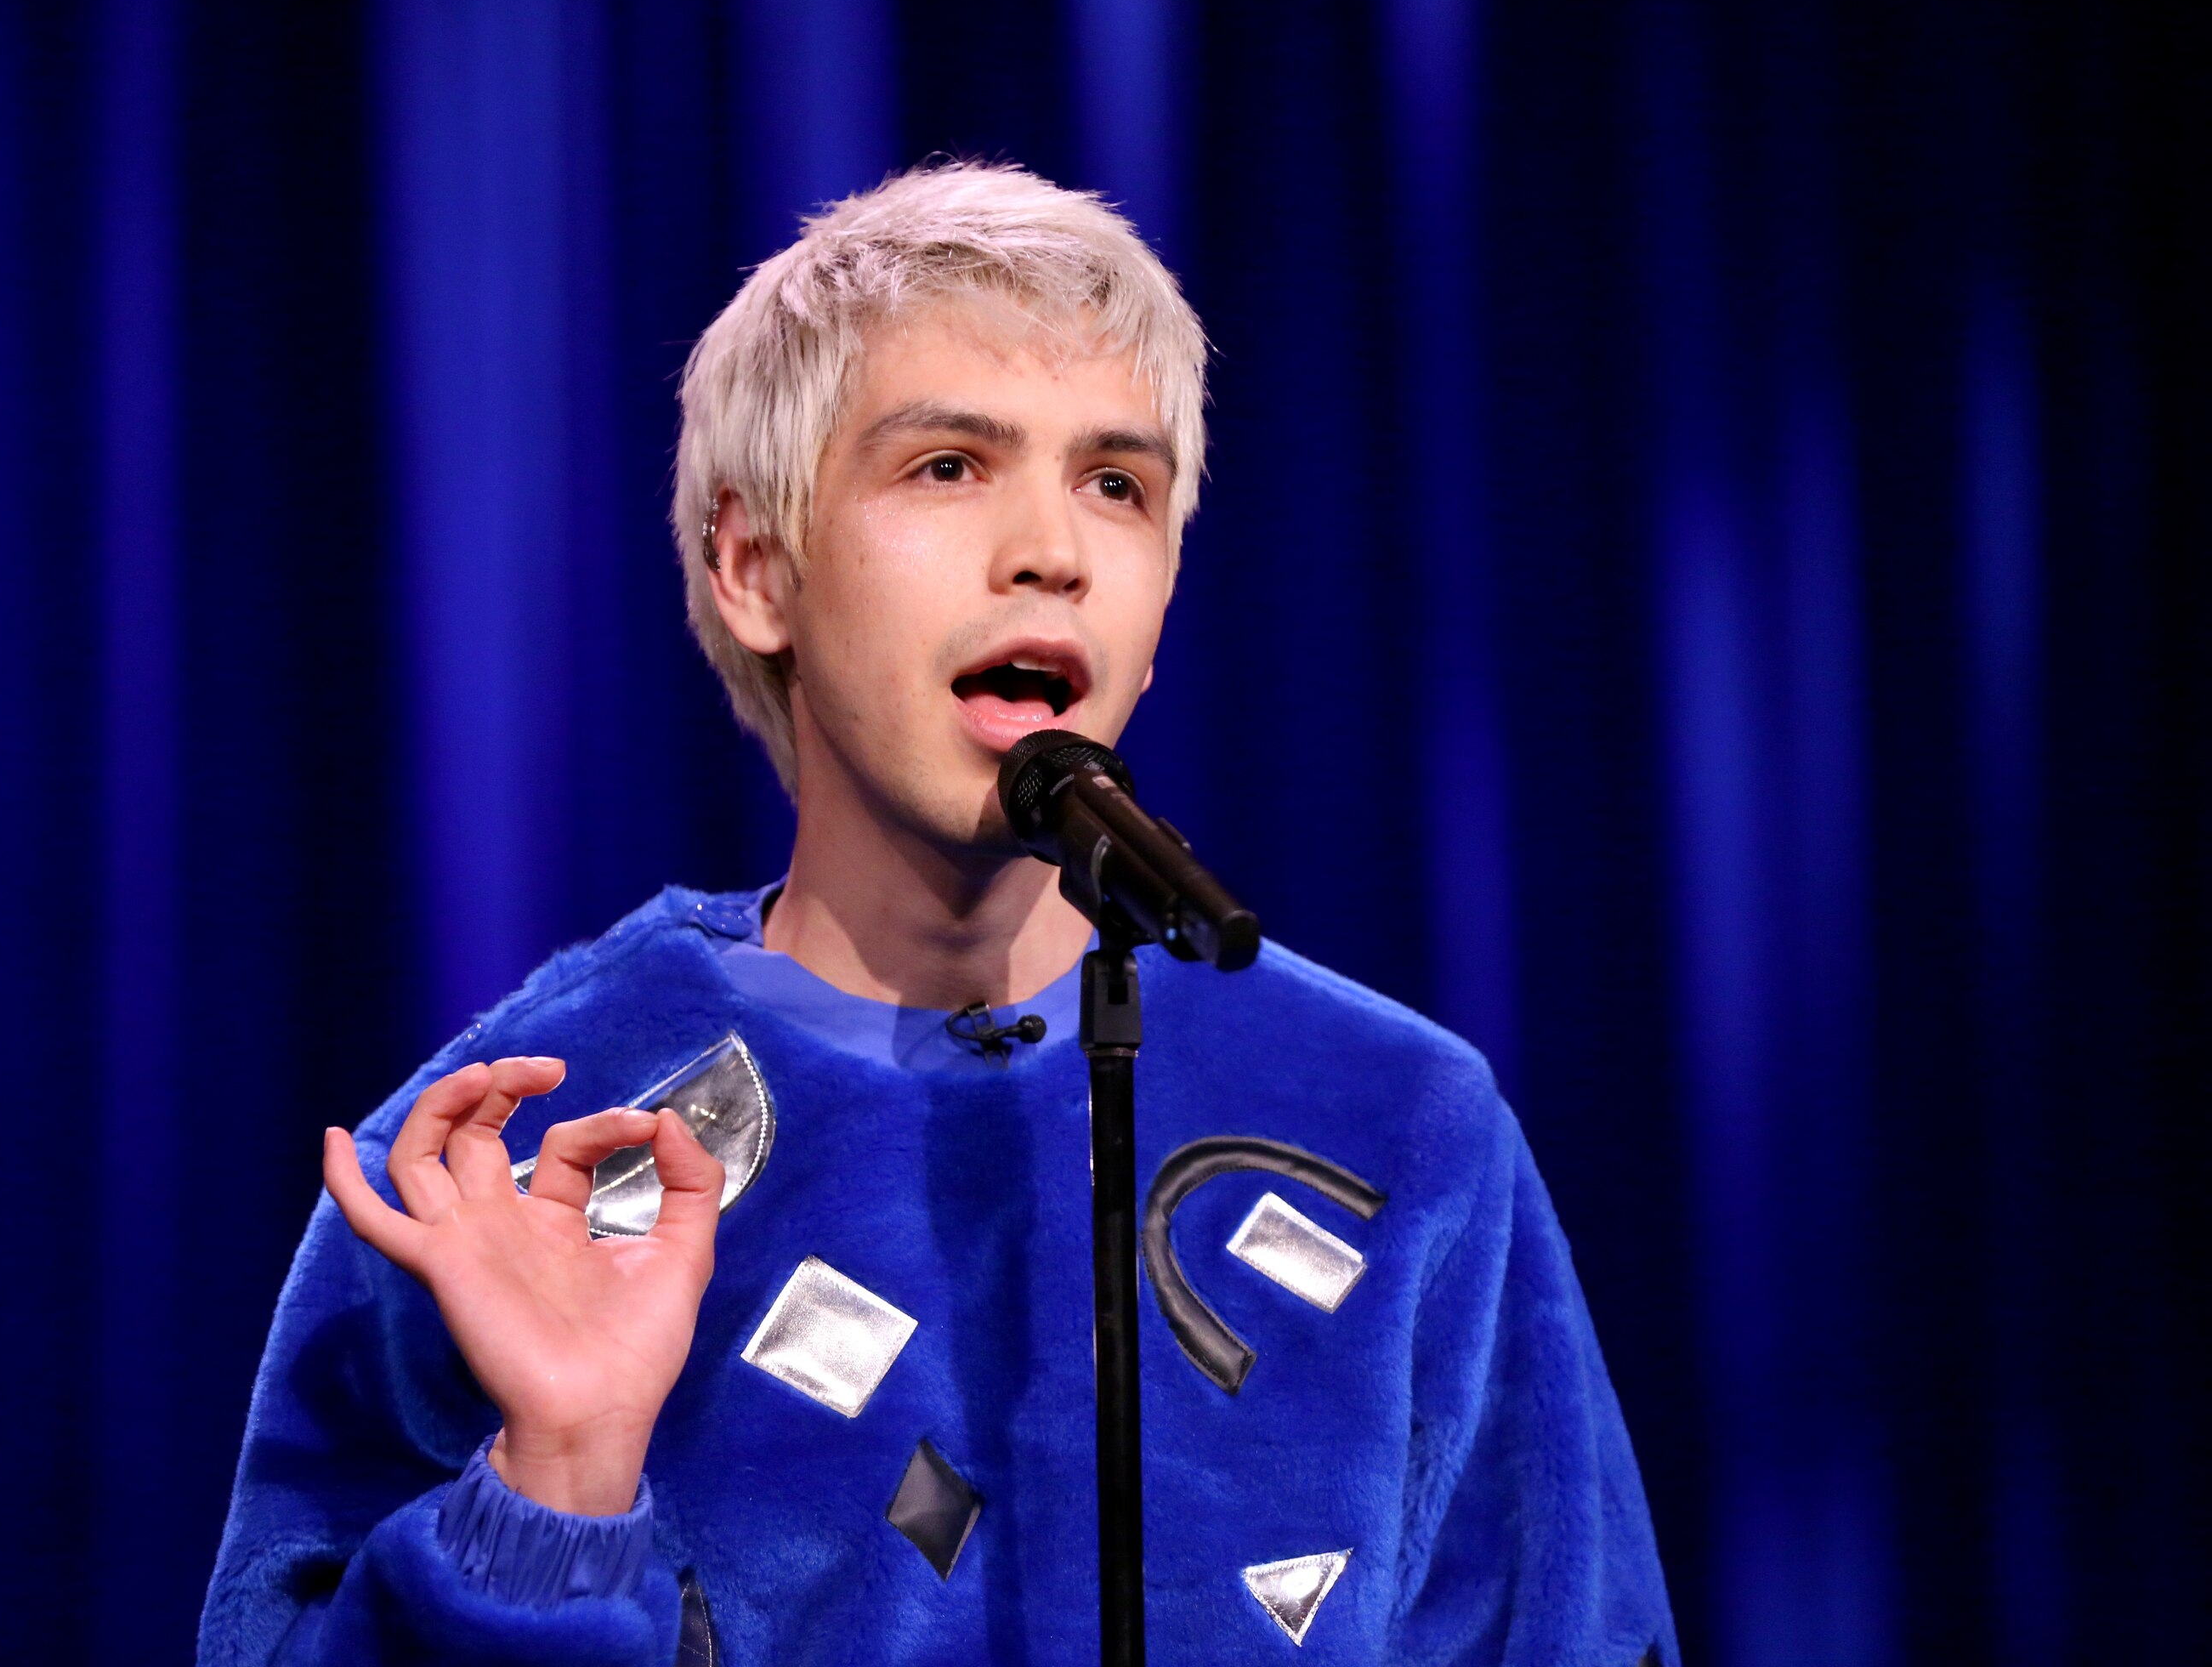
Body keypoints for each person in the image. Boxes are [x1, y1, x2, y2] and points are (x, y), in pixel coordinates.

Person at [199, 162, 1679, 1665]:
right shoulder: (504, 1162)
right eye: (949, 466)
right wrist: (560, 1481)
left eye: (1118, 483)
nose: (1052, 547)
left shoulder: (1396, 1125)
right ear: (755, 565)